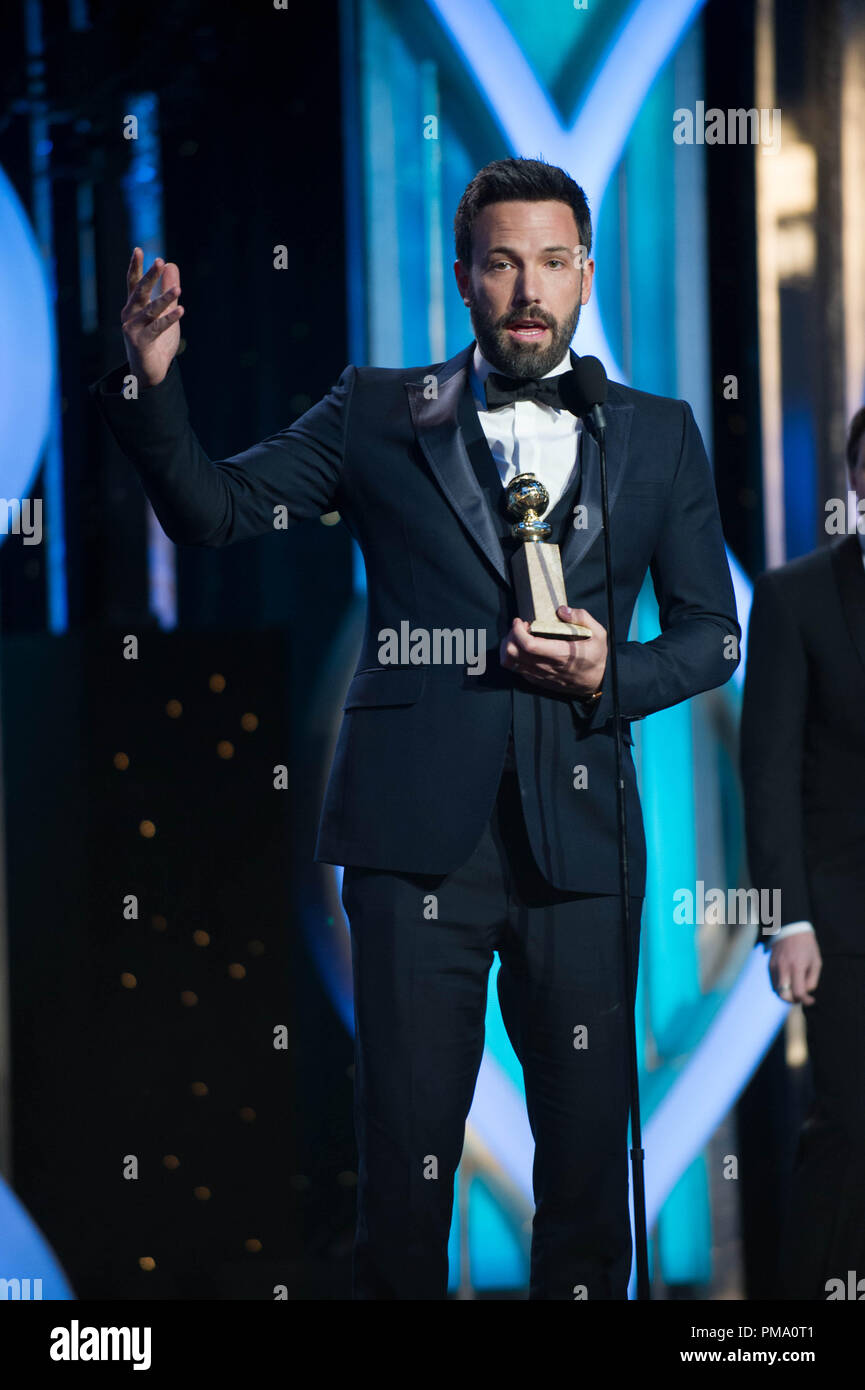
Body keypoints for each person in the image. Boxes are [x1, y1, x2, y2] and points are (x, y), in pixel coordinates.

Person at [90, 157, 740, 1300]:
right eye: (500, 263)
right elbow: (218, 512)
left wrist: (610, 670)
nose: (526, 287)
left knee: (588, 1179)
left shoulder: (658, 432)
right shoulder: (381, 412)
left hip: (583, 847)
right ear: (461, 278)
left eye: (550, 262)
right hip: (408, 848)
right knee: (404, 1177)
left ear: (587, 275)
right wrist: (151, 389)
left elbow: (711, 635)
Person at [740, 406, 865, 1300]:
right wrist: (788, 918)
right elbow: (768, 775)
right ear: (855, 485)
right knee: (849, 1132)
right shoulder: (797, 597)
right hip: (843, 921)